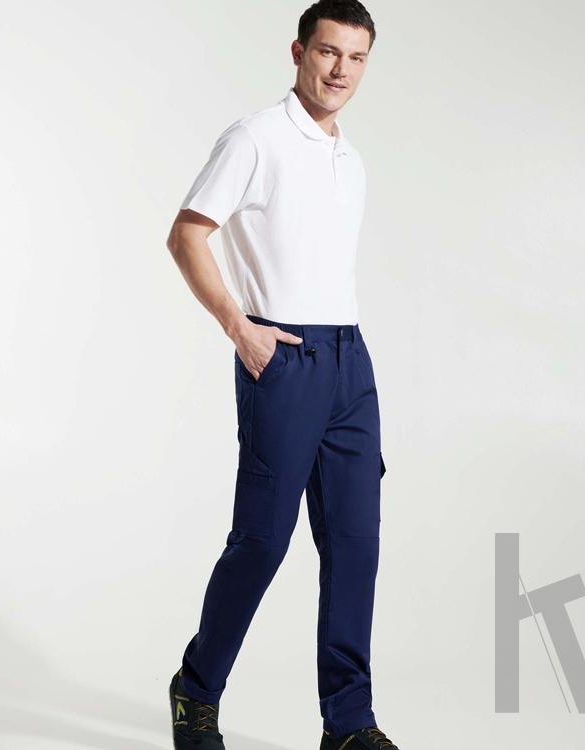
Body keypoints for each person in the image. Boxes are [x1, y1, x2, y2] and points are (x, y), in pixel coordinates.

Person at [165, 2, 396, 748]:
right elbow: (188, 234)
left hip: (349, 361)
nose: (340, 71)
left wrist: (344, 357)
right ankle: (196, 690)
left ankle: (349, 723)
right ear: (298, 52)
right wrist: (240, 328)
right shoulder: (256, 138)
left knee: (355, 542)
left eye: (356, 58)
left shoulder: (350, 157)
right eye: (328, 52)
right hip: (284, 357)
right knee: (263, 541)